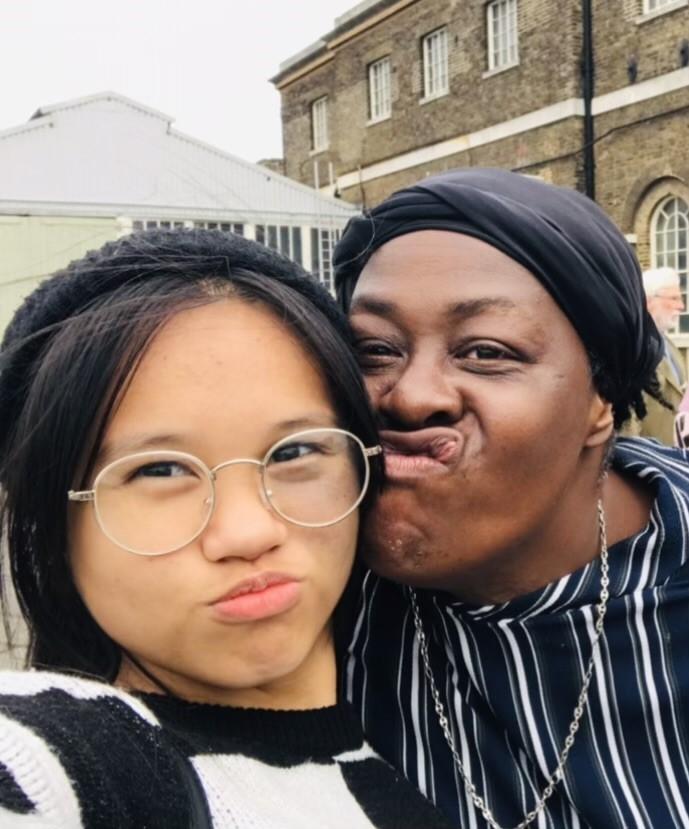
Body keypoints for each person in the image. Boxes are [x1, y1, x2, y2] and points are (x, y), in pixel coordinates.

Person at [0, 229, 454, 828]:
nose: (247, 532)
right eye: (159, 470)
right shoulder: (80, 760)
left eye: (293, 453)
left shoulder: (443, 725)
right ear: (54, 520)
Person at [334, 169, 689, 829]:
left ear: (598, 401)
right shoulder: (301, 597)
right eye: (373, 349)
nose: (411, 394)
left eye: (485, 351)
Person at [619, 265, 686, 444]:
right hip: (648, 458)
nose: (681, 306)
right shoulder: (633, 346)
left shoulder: (669, 345)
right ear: (649, 301)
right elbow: (627, 416)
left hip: (675, 457)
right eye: (674, 298)